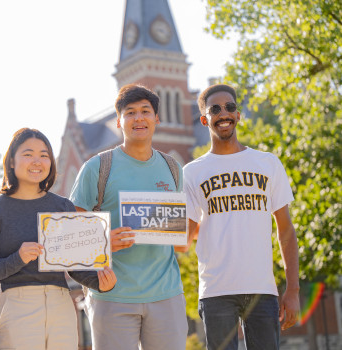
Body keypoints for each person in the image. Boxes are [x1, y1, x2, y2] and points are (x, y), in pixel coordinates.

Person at [69, 84, 188, 350]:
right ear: (119, 121)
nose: (138, 118)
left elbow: (180, 236)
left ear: (156, 118)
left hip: (166, 295)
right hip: (112, 295)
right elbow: (69, 237)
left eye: (145, 111)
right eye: (130, 112)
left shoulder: (173, 168)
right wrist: (105, 240)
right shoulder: (97, 168)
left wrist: (185, 235)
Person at [0, 128, 117, 350]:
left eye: (44, 155)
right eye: (28, 153)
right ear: (11, 161)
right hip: (16, 303)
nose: (37, 161)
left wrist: (100, 282)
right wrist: (18, 258)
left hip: (60, 301)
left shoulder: (63, 206)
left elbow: (75, 267)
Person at [182, 83, 300, 349]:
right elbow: (184, 237)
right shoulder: (191, 172)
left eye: (230, 107)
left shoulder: (268, 163)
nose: (223, 113)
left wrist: (292, 289)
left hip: (262, 290)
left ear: (238, 115)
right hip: (215, 291)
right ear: (205, 119)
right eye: (215, 109)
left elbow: (286, 230)